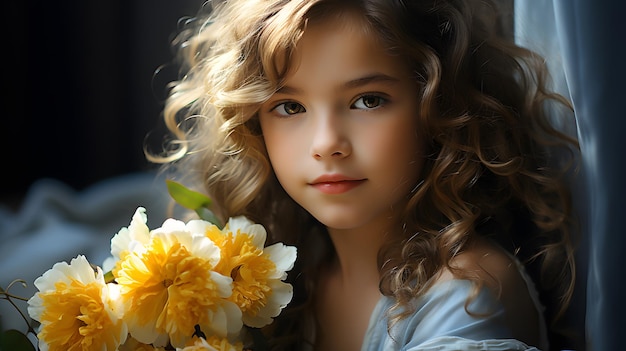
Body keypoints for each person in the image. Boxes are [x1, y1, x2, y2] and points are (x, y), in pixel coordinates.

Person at [147, 0, 581, 350]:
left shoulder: (467, 294)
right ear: (254, 126)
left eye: (367, 100)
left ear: (438, 107)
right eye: (290, 107)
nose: (327, 142)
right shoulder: (286, 278)